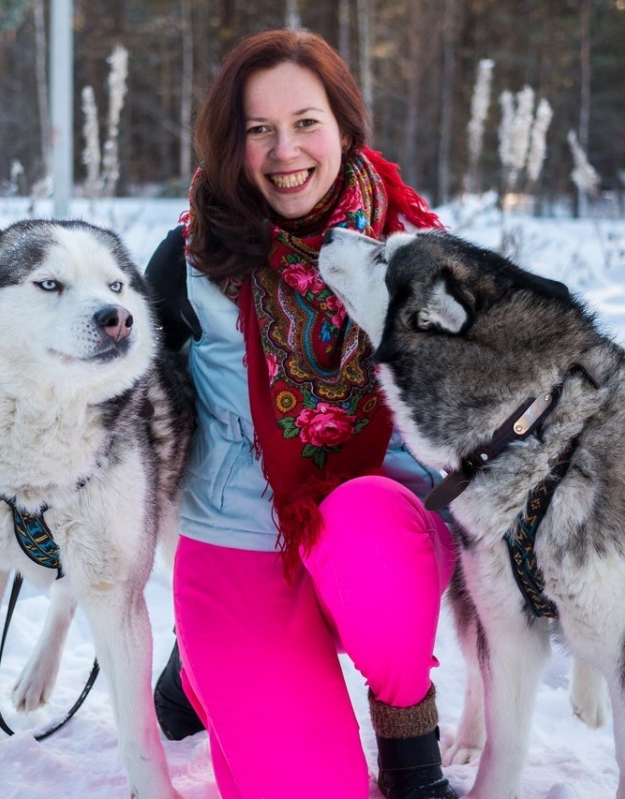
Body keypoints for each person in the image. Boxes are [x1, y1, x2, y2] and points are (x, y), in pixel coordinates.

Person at [145, 28, 457, 799]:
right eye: (259, 130)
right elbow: (131, 413)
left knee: (359, 526)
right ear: (233, 142)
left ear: (346, 126)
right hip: (241, 541)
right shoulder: (185, 262)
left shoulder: (415, 248)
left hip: (385, 531)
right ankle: (208, 660)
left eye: (306, 122)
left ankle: (409, 736)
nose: (286, 151)